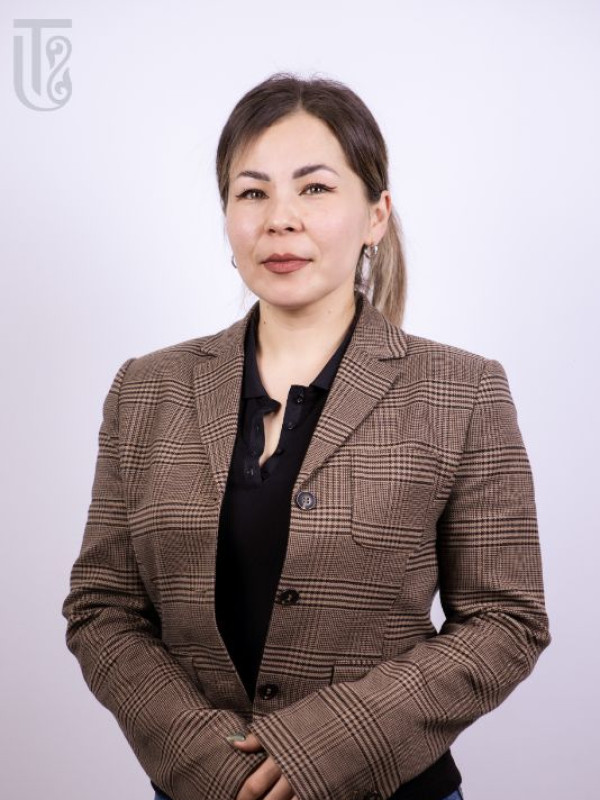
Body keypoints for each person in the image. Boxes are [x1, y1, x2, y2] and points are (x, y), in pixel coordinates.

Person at [61, 72, 551, 800]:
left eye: (315, 188)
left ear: (375, 215)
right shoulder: (147, 388)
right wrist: (203, 757)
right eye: (251, 193)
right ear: (227, 216)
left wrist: (326, 745)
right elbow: (103, 607)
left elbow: (506, 621)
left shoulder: (463, 389)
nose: (279, 220)